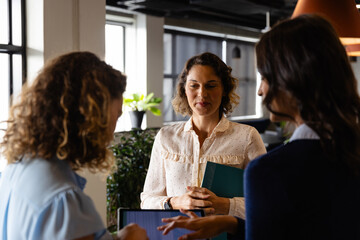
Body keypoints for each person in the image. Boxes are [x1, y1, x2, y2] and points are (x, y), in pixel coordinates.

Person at [157, 14, 360, 240]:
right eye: (194, 85)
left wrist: (228, 210)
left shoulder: (270, 170)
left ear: (291, 79)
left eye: (264, 77)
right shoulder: (348, 151)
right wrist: (234, 224)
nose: (260, 90)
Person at [0, 52, 148, 240]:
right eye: (116, 116)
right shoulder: (63, 201)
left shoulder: (15, 169)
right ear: (92, 116)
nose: (112, 132)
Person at [141, 52, 266, 219]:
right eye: (194, 85)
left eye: (211, 85)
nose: (202, 94)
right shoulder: (166, 137)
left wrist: (224, 205)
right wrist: (176, 202)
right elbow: (147, 202)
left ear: (224, 90)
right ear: (184, 89)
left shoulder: (247, 137)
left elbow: (266, 201)